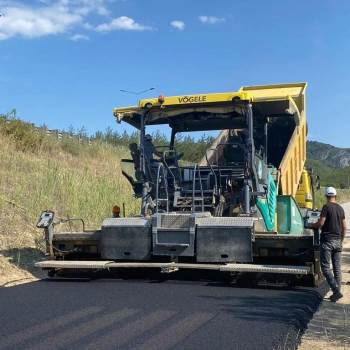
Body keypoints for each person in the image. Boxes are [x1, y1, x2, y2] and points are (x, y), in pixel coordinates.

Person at [312, 186, 346, 302]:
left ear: (326, 196)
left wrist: (312, 225)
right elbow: (344, 227)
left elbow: (321, 223)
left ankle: (336, 291)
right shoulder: (340, 208)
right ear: (335, 196)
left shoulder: (326, 207)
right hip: (337, 241)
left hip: (327, 241)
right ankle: (337, 293)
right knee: (337, 268)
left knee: (325, 268)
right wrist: (341, 240)